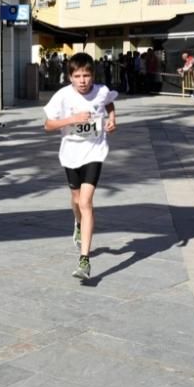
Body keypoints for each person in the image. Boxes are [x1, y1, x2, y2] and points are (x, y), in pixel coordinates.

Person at [43, 52, 118, 282]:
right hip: (70, 155)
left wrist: (112, 118)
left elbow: (108, 101)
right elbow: (47, 125)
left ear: (92, 75)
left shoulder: (101, 90)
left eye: (86, 75)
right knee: (76, 200)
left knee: (86, 202)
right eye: (78, 76)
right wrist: (71, 120)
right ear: (70, 77)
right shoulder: (62, 96)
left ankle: (84, 260)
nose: (83, 80)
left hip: (94, 152)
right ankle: (77, 222)